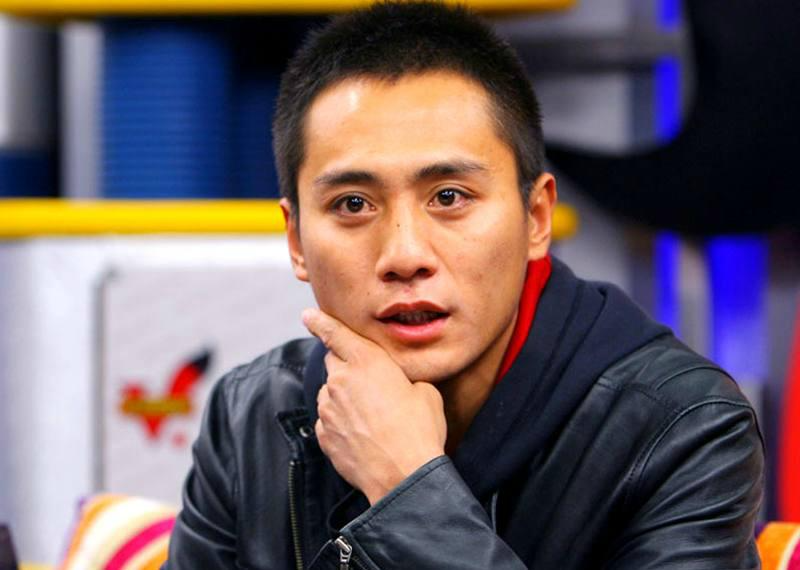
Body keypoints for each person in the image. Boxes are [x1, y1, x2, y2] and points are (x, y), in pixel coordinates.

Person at [165, 2, 764, 568]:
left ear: (536, 218)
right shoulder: (251, 413)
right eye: (353, 204)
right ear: (296, 240)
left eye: (449, 197)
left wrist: (406, 486)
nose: (404, 256)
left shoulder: (685, 428)